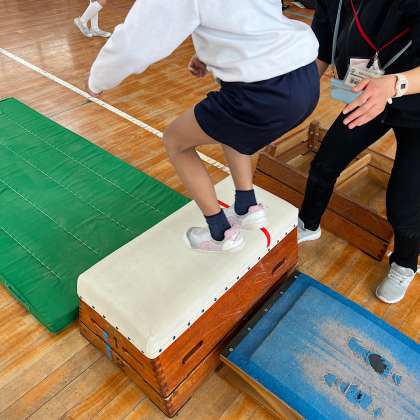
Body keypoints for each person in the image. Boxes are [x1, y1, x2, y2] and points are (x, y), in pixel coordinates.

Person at [87, 0, 320, 253]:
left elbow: (134, 46)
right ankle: (246, 206)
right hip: (304, 76)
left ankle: (220, 233)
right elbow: (246, 13)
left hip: (264, 93)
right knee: (232, 129)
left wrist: (97, 80)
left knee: (176, 141)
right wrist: (207, 53)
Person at [297, 0, 420, 304]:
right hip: (369, 95)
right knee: (325, 162)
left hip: (413, 102)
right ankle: (308, 224)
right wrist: (294, 92)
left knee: (404, 204)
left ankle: (405, 264)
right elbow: (323, 48)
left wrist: (394, 84)